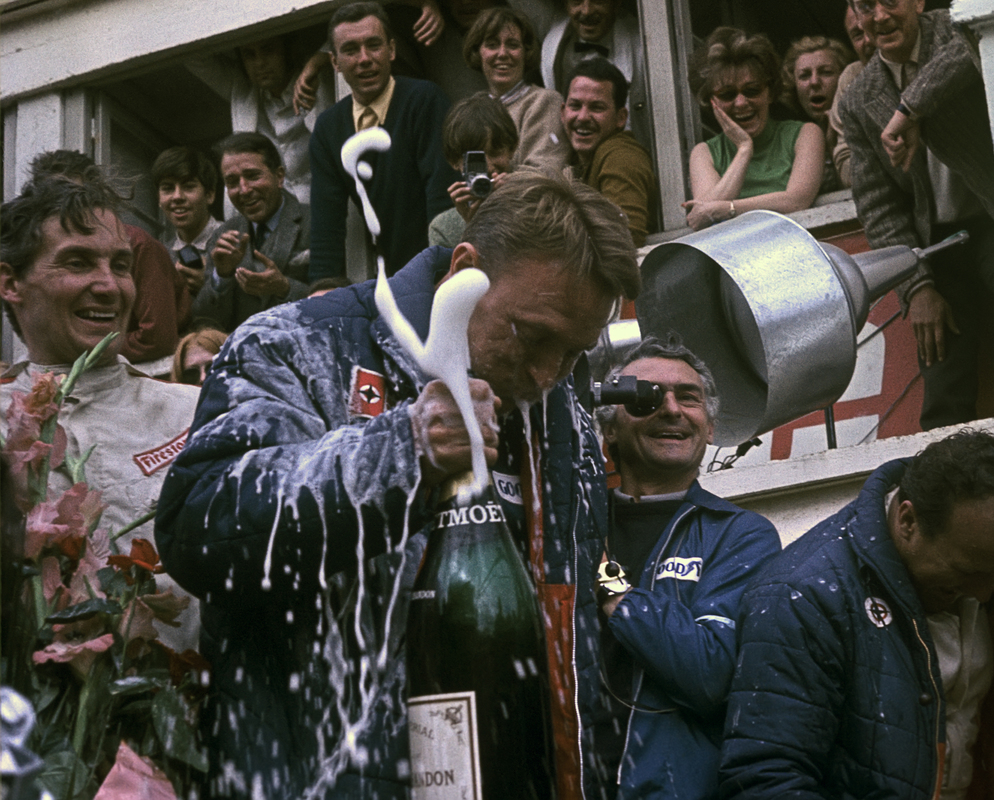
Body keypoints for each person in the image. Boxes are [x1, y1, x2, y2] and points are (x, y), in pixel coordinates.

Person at [155, 171, 640, 799]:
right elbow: (199, 526)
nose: (548, 372)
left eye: (572, 352)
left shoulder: (561, 407)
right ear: (463, 272)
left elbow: (576, 625)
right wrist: (399, 453)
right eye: (532, 334)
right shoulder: (295, 340)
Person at [719, 429, 994, 799]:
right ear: (907, 521)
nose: (985, 593)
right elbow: (766, 779)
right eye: (966, 573)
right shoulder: (802, 597)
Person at [0, 178, 201, 651]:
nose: (110, 286)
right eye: (77, 262)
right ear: (10, 283)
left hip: (192, 691)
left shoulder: (195, 414)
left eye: (121, 266)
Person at [590, 337, 780, 799]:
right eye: (646, 396)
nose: (671, 409)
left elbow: (711, 673)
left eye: (688, 397)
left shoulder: (740, 535)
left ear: (710, 428)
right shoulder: (571, 519)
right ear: (609, 428)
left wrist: (611, 588)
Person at [840, 0, 994, 431]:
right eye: (866, 6)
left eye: (891, 1)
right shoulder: (857, 98)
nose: (880, 16)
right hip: (936, 243)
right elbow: (878, 204)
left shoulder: (957, 26)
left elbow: (968, 49)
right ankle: (945, 460)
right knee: (940, 360)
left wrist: (909, 108)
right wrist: (917, 286)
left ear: (918, 2)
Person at [309, 1, 458, 281]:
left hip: (444, 271)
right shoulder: (328, 129)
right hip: (392, 280)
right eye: (351, 50)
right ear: (335, 62)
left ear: (391, 50)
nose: (364, 58)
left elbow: (443, 196)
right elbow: (326, 226)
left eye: (374, 45)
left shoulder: (424, 101)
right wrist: (321, 287)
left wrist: (444, 269)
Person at [26, 150, 183, 375]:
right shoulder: (40, 257)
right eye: (53, 201)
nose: (67, 208)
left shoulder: (137, 245)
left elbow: (157, 338)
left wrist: (82, 348)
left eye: (78, 198)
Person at [683, 27, 825, 232]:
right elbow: (703, 218)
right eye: (727, 94)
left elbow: (796, 201)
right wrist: (744, 149)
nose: (741, 102)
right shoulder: (704, 153)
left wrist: (728, 209)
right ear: (711, 100)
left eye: (752, 90)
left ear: (769, 92)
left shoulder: (805, 134)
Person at [187, 31, 335, 207]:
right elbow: (192, 55)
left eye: (268, 50)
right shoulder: (243, 90)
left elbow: (349, 33)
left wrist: (316, 62)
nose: (259, 63)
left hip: (331, 203)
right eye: (249, 55)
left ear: (287, 50)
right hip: (279, 214)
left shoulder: (319, 78)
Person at [192, 133, 311, 333]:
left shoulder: (315, 222)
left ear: (279, 177)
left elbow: (339, 299)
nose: (244, 190)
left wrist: (284, 288)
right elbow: (204, 321)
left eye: (253, 176)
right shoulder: (223, 236)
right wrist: (222, 276)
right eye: (232, 182)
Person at [562, 58, 659, 247]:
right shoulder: (576, 160)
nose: (583, 117)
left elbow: (624, 238)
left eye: (597, 108)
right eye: (575, 106)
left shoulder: (621, 156)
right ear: (562, 112)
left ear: (620, 118)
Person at [463, 6, 570, 173]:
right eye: (492, 45)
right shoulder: (473, 108)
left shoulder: (545, 102)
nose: (502, 53)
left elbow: (545, 173)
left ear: (526, 52)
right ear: (478, 51)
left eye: (512, 45)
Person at [540, 0, 650, 150]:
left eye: (598, 1)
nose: (586, 11)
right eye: (577, 1)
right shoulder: (555, 43)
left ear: (616, 4)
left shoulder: (645, 46)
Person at [428, 92, 519, 248]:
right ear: (454, 161)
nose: (488, 167)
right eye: (477, 160)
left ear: (512, 149)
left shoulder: (538, 204)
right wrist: (474, 226)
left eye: (496, 153)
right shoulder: (443, 228)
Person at [781, 36, 854, 194]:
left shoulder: (861, 125)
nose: (814, 82)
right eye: (804, 76)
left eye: (826, 72)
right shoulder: (790, 139)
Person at [153, 145, 223, 302]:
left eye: (189, 187)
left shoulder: (235, 242)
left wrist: (213, 285)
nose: (177, 196)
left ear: (210, 195)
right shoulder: (159, 256)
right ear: (159, 199)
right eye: (168, 188)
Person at [829, 2, 876, 188]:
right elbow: (847, 166)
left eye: (873, 27)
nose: (868, 40)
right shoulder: (852, 77)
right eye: (858, 34)